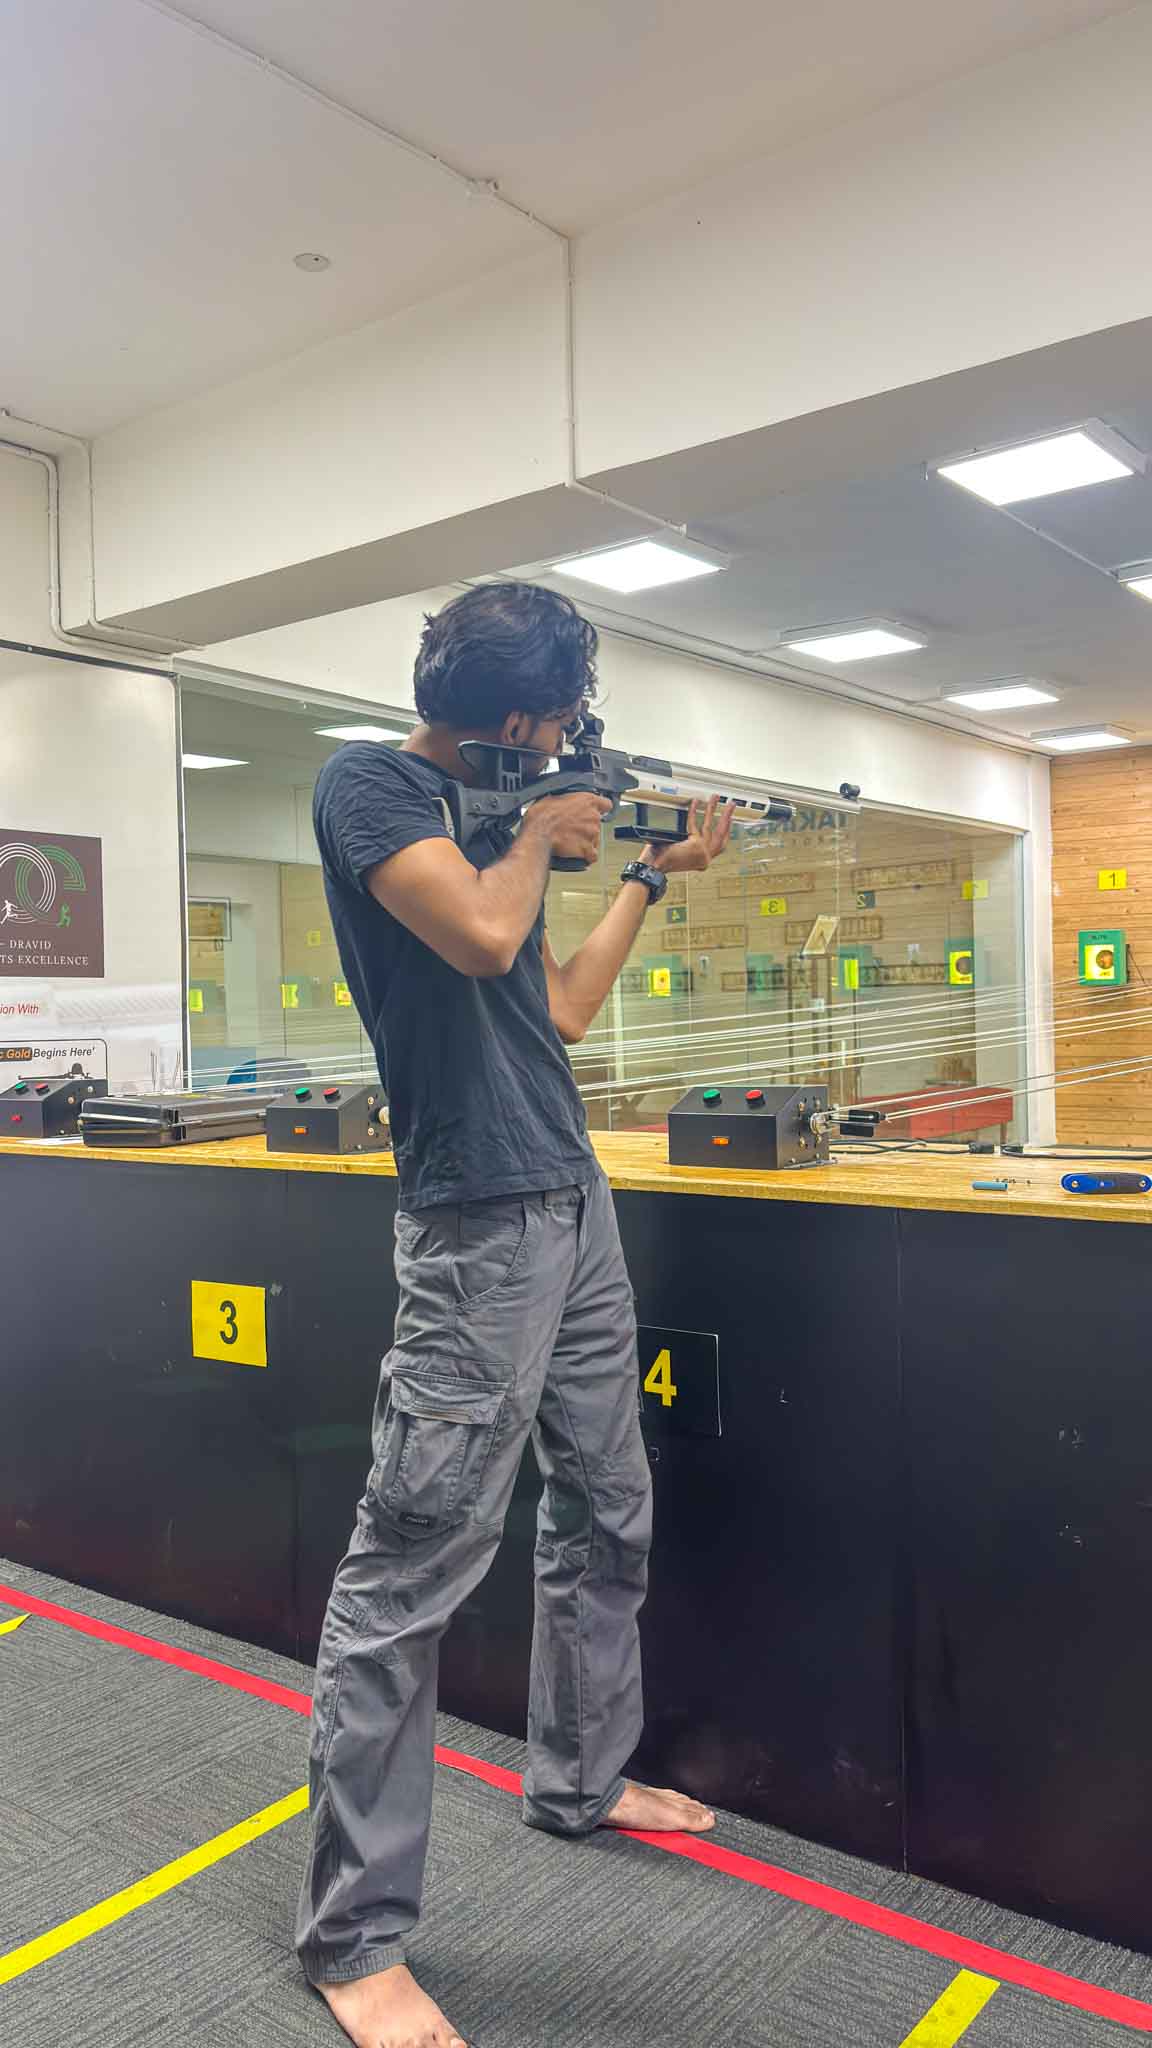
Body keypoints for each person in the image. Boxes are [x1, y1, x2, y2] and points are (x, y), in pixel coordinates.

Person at [299, 581, 734, 2048]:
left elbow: (551, 1008)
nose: (558, 755)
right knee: (409, 1569)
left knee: (608, 1501)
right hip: (476, 1226)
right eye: (551, 735)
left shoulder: (500, 831)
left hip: (568, 1197)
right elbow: (482, 941)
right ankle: (356, 1939)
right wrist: (544, 834)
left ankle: (582, 1778)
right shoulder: (370, 788)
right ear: (521, 721)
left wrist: (641, 876)